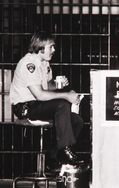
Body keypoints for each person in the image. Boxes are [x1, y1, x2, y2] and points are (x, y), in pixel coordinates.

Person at [9, 31, 88, 172]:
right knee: (62, 104)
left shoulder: (44, 63)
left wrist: (58, 85)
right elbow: (39, 94)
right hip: (25, 107)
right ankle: (65, 151)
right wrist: (65, 95)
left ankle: (54, 159)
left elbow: (46, 86)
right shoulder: (29, 64)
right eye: (51, 47)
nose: (54, 50)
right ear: (40, 47)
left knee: (76, 120)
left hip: (38, 105)